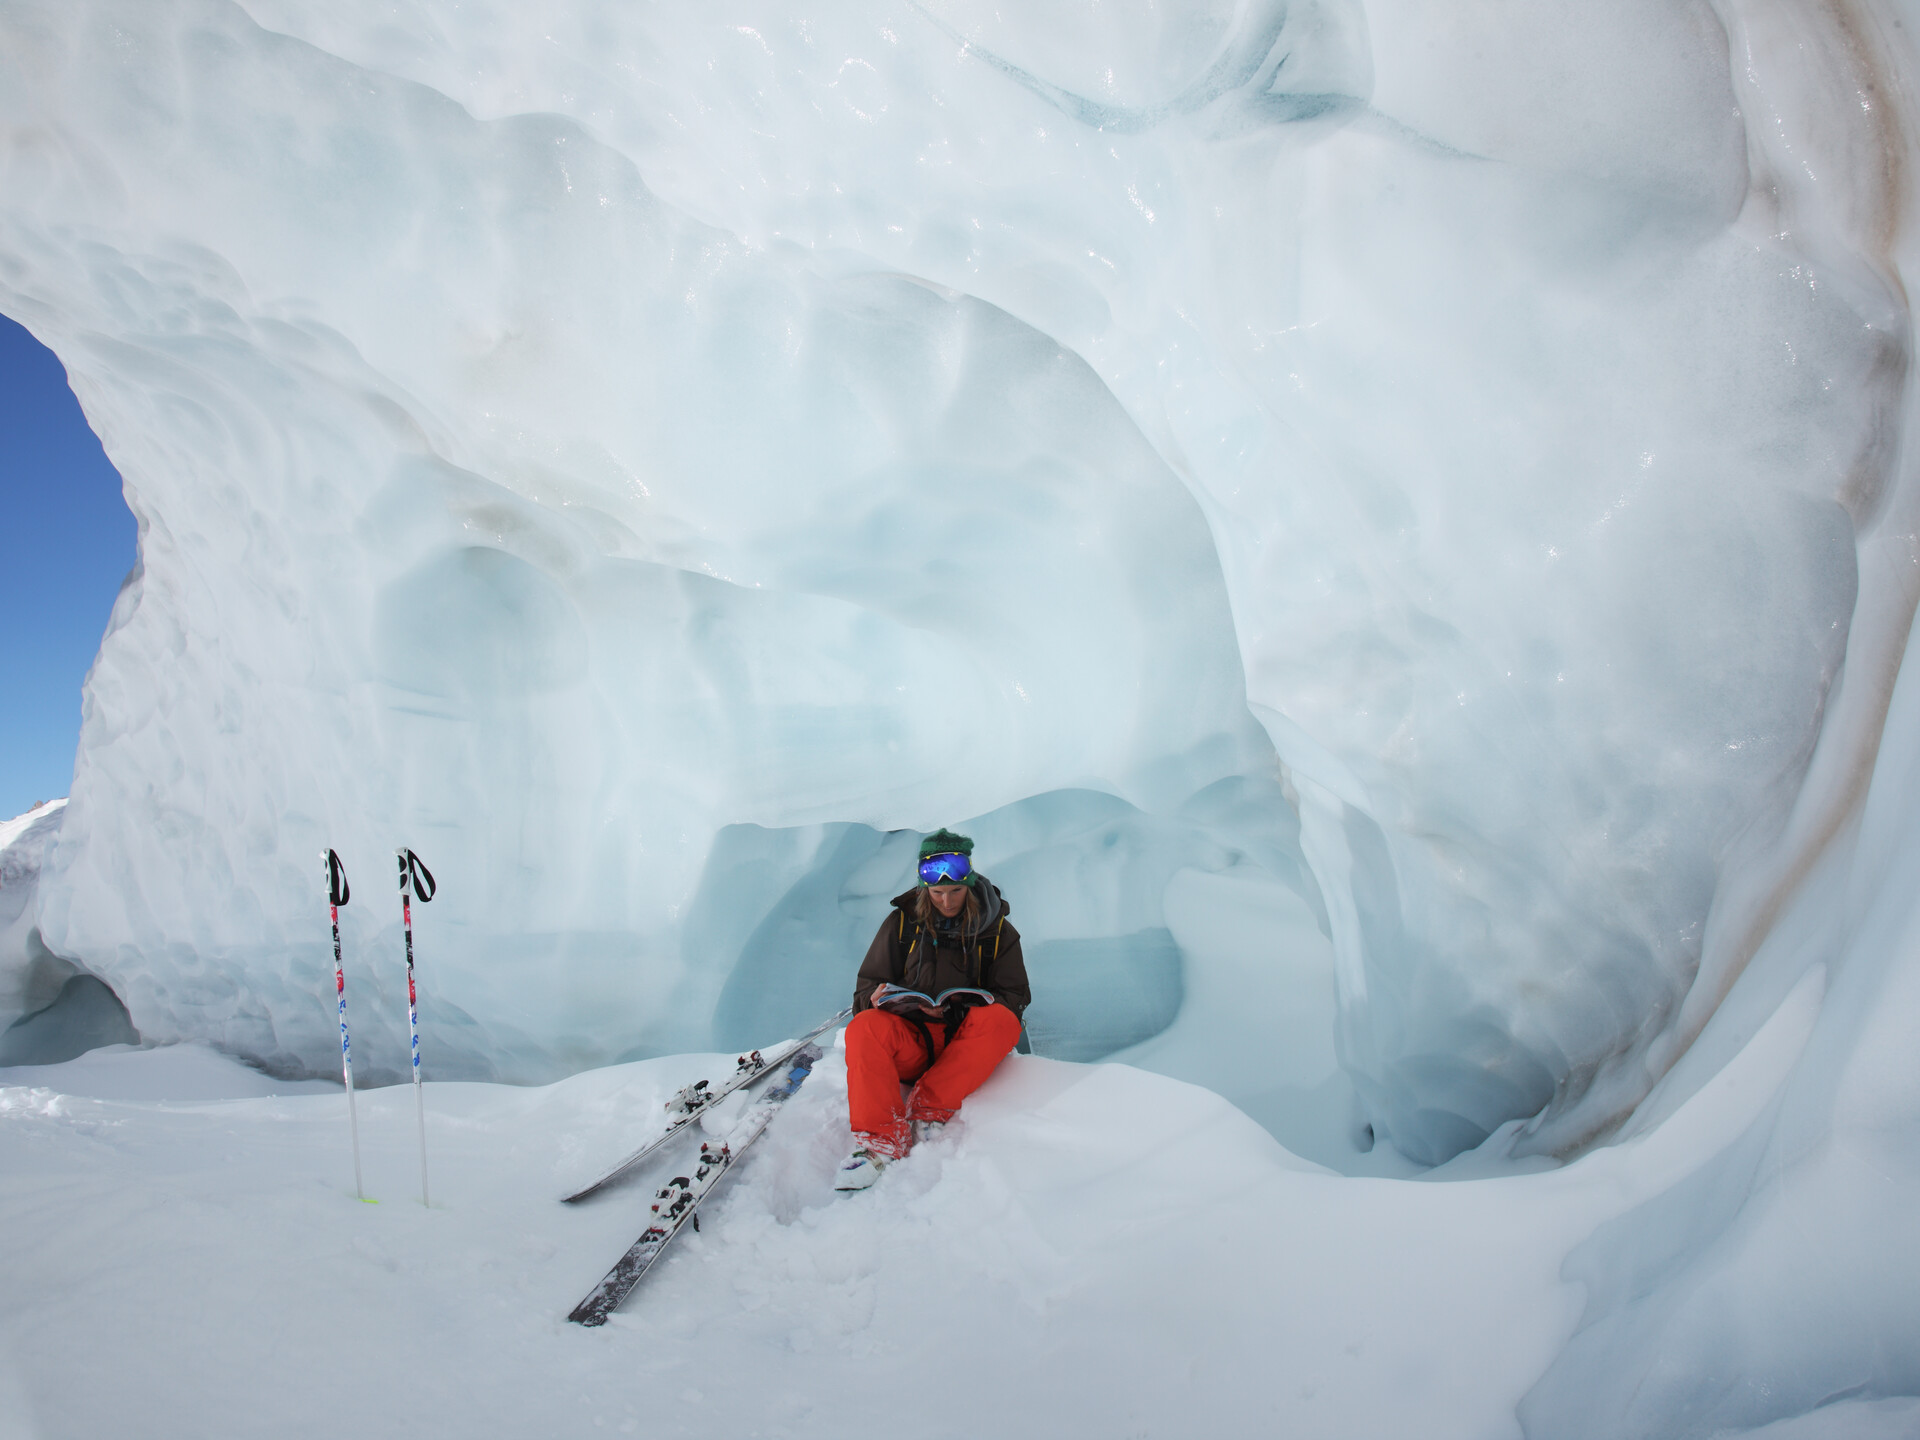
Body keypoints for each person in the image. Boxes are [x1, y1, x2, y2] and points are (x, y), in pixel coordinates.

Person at [835, 829, 1030, 1190]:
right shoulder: (902, 925)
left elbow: (1015, 996)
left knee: (1001, 1020)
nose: (946, 901)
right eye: (937, 892)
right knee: (864, 1027)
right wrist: (875, 998)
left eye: (955, 891)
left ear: (969, 885)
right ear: (925, 889)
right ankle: (880, 1141)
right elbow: (864, 991)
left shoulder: (999, 931)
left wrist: (968, 1004)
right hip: (913, 1042)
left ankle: (929, 1106)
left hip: (963, 1047)